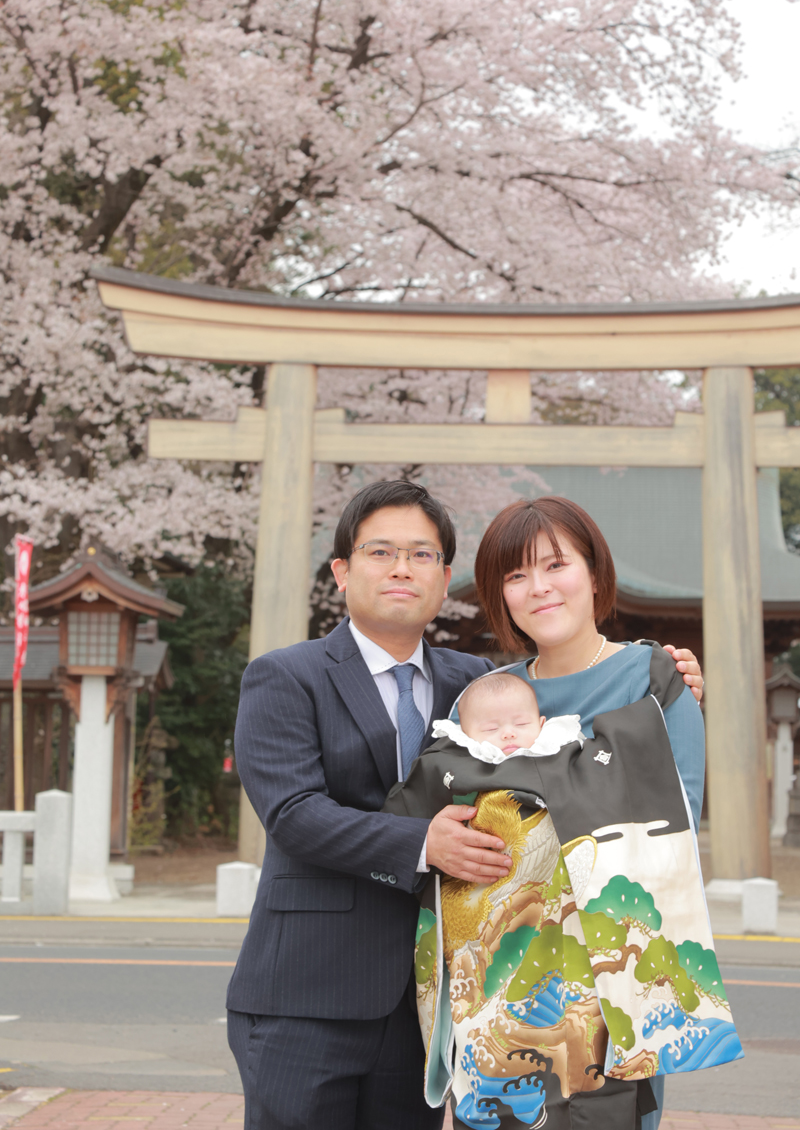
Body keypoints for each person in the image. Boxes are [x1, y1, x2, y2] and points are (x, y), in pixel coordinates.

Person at [226, 480, 705, 1130]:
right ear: (341, 571)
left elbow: (664, 821)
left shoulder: (486, 682)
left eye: (421, 555)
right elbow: (291, 814)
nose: (402, 569)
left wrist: (670, 681)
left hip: (536, 993)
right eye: (381, 552)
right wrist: (426, 844)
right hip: (335, 991)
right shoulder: (301, 677)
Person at [383, 668, 739, 1129]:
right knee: (492, 1075)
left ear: (543, 719)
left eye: (520, 724)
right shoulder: (447, 762)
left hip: (577, 949)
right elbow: (402, 824)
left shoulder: (568, 750)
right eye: (491, 729)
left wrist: (664, 690)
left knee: (592, 1069)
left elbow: (630, 758)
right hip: (485, 957)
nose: (507, 735)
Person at [471, 494, 709, 1130]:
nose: (539, 588)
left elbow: (673, 832)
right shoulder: (489, 699)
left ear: (596, 574)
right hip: (502, 983)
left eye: (555, 565)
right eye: (516, 576)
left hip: (611, 982)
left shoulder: (653, 678)